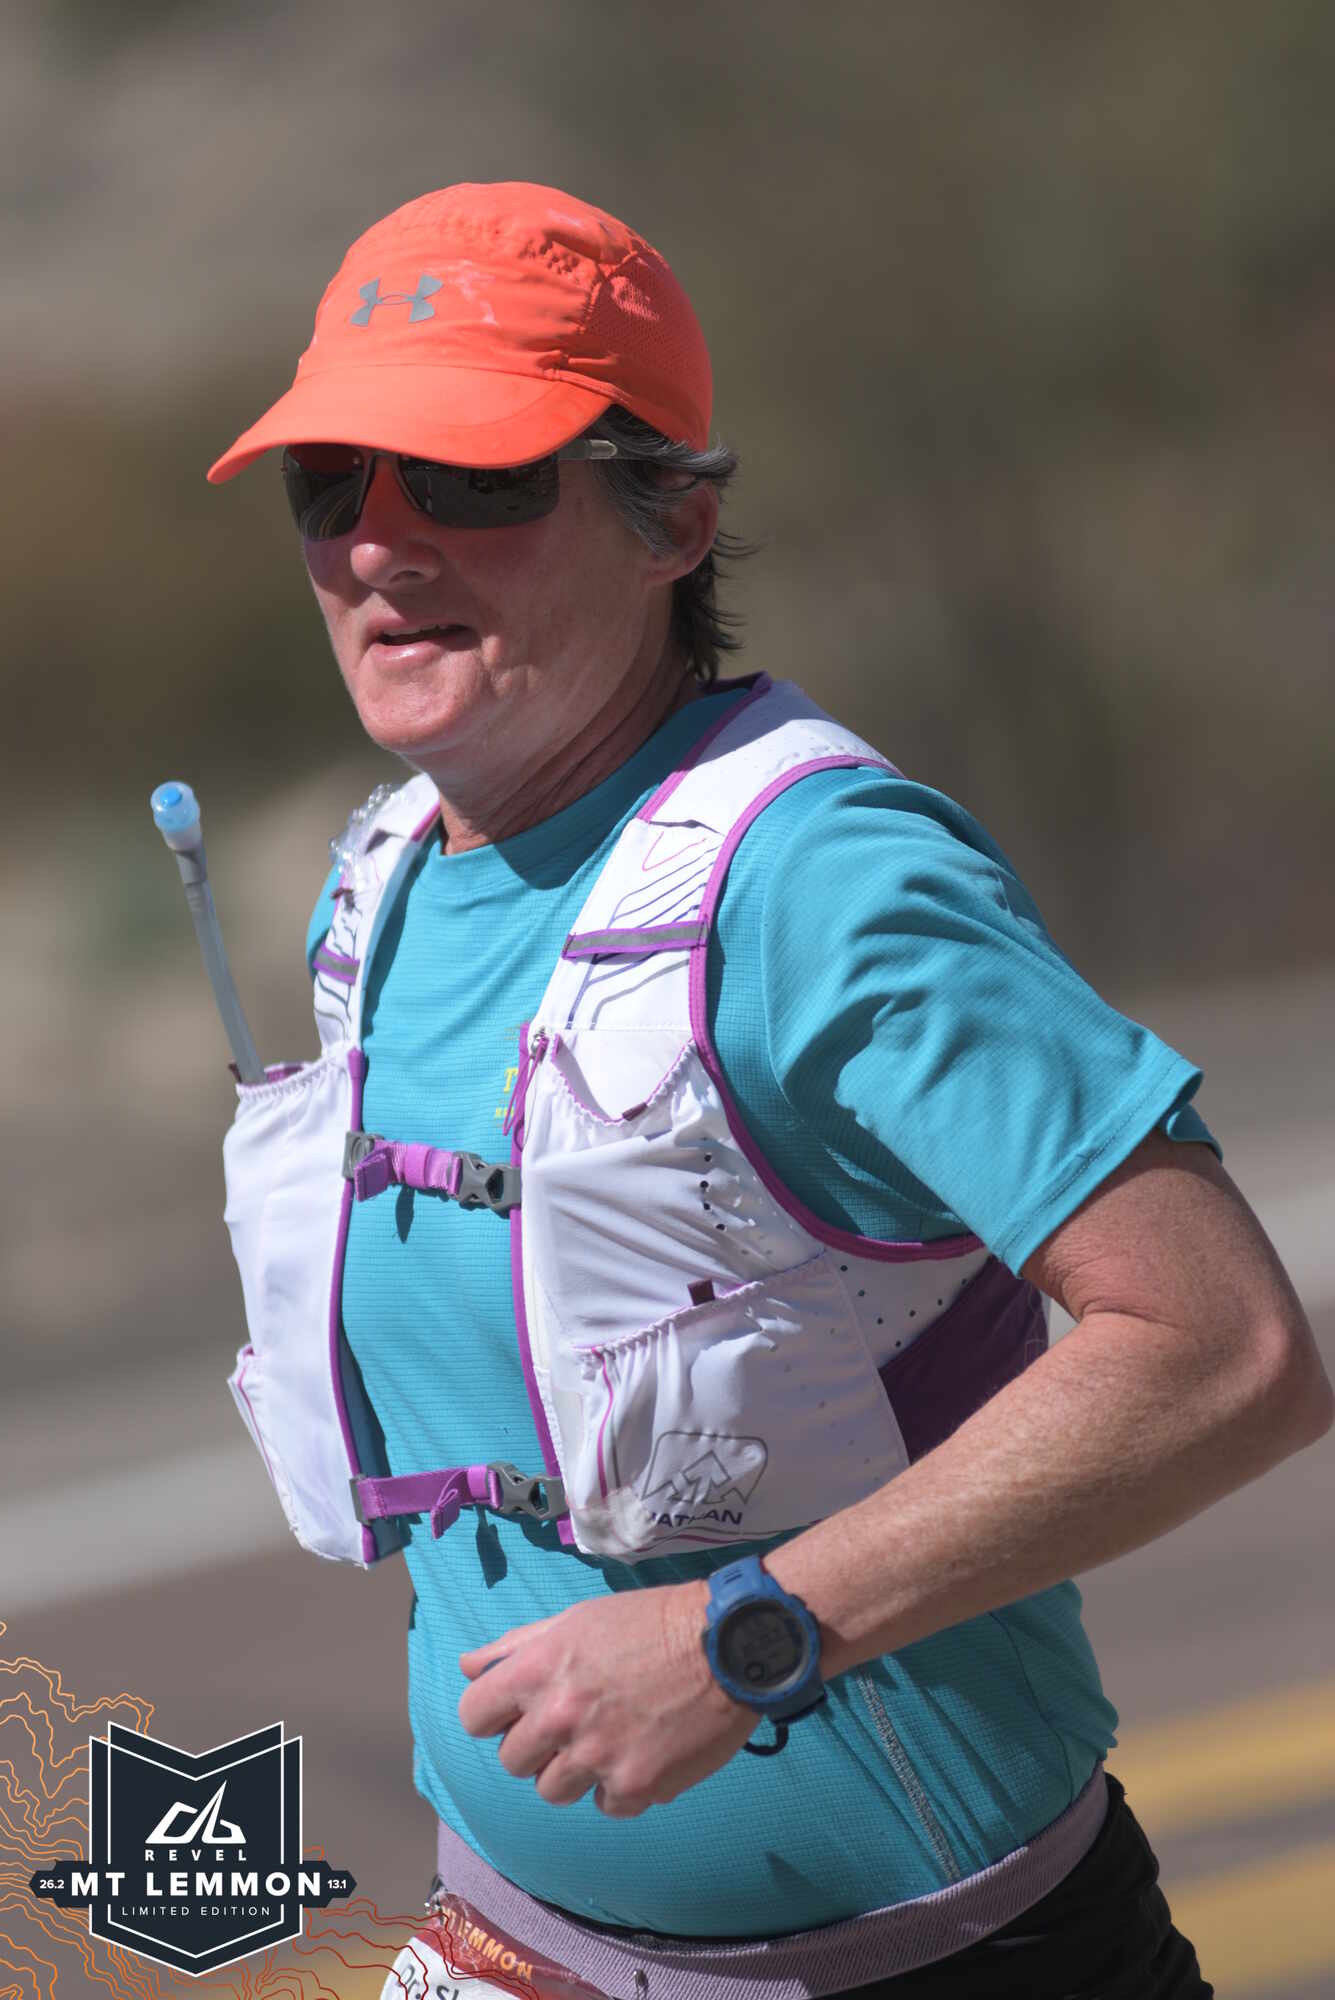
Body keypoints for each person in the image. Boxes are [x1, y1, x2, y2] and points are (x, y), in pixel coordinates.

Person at [206, 180, 1332, 2000]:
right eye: (333, 484)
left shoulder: (822, 883)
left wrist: (749, 1635)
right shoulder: (384, 878)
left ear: (675, 518)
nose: (382, 545)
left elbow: (1227, 1353)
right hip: (517, 1949)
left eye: (475, 477)